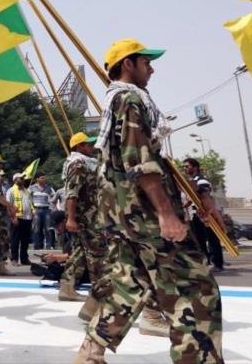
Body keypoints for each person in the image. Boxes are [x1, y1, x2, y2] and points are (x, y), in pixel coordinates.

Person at [75, 38, 223, 363]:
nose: (152, 68)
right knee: (194, 285)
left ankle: (90, 355)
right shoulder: (129, 98)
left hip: (122, 213)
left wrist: (197, 193)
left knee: (132, 283)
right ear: (128, 64)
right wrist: (166, 213)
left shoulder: (116, 101)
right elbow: (138, 160)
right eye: (146, 62)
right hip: (141, 211)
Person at [58, 132, 106, 304]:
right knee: (97, 253)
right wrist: (71, 218)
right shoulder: (78, 164)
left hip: (87, 214)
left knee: (79, 252)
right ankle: (99, 293)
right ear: (79, 146)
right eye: (88, 144)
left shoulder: (85, 163)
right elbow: (72, 193)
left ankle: (67, 288)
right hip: (85, 216)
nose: (91, 147)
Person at [182, 158, 224, 273]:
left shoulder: (201, 180)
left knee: (212, 238)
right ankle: (205, 262)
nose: (185, 169)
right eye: (184, 167)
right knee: (199, 240)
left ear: (195, 167)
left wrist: (186, 203)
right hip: (197, 214)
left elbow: (203, 194)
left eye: (187, 166)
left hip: (207, 214)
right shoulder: (192, 180)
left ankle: (217, 263)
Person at [8, 173, 33, 266]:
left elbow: (30, 204)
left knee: (25, 240)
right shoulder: (11, 191)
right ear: (15, 180)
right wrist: (13, 217)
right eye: (20, 178)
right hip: (17, 218)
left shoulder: (27, 191)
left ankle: (24, 259)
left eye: (23, 178)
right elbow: (9, 205)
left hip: (27, 218)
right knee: (15, 239)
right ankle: (14, 259)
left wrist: (32, 216)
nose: (22, 180)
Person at [29, 174, 56, 249]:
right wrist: (31, 209)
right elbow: (28, 199)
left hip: (46, 210)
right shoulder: (31, 188)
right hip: (36, 209)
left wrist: (52, 208)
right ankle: (37, 245)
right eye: (42, 178)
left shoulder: (49, 188)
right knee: (37, 228)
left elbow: (54, 198)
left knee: (48, 228)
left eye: (45, 178)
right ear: (37, 179)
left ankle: (49, 245)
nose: (44, 179)